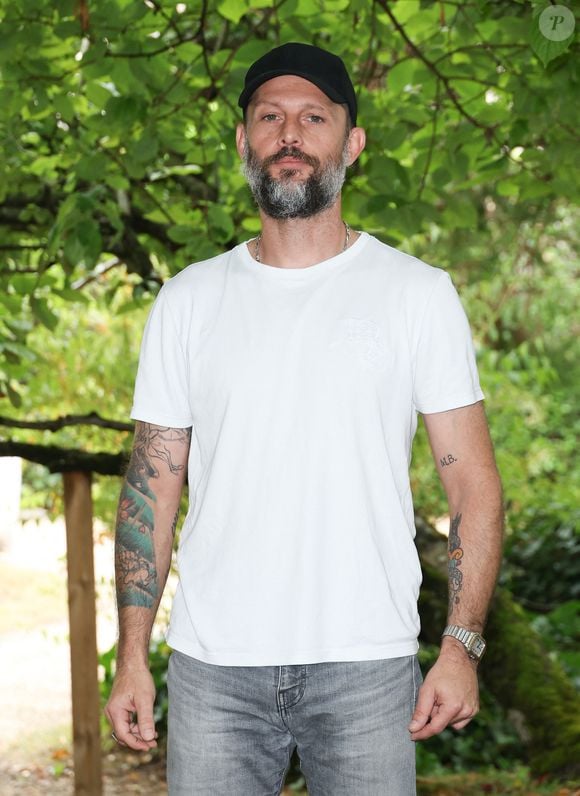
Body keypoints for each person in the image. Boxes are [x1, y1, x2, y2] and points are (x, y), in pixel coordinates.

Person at [105, 42, 504, 795]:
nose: (291, 134)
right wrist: (131, 656)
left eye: (314, 117)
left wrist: (461, 646)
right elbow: (149, 492)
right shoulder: (187, 301)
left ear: (350, 143)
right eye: (270, 117)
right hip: (213, 669)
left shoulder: (416, 294)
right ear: (244, 141)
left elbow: (474, 489)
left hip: (366, 666)